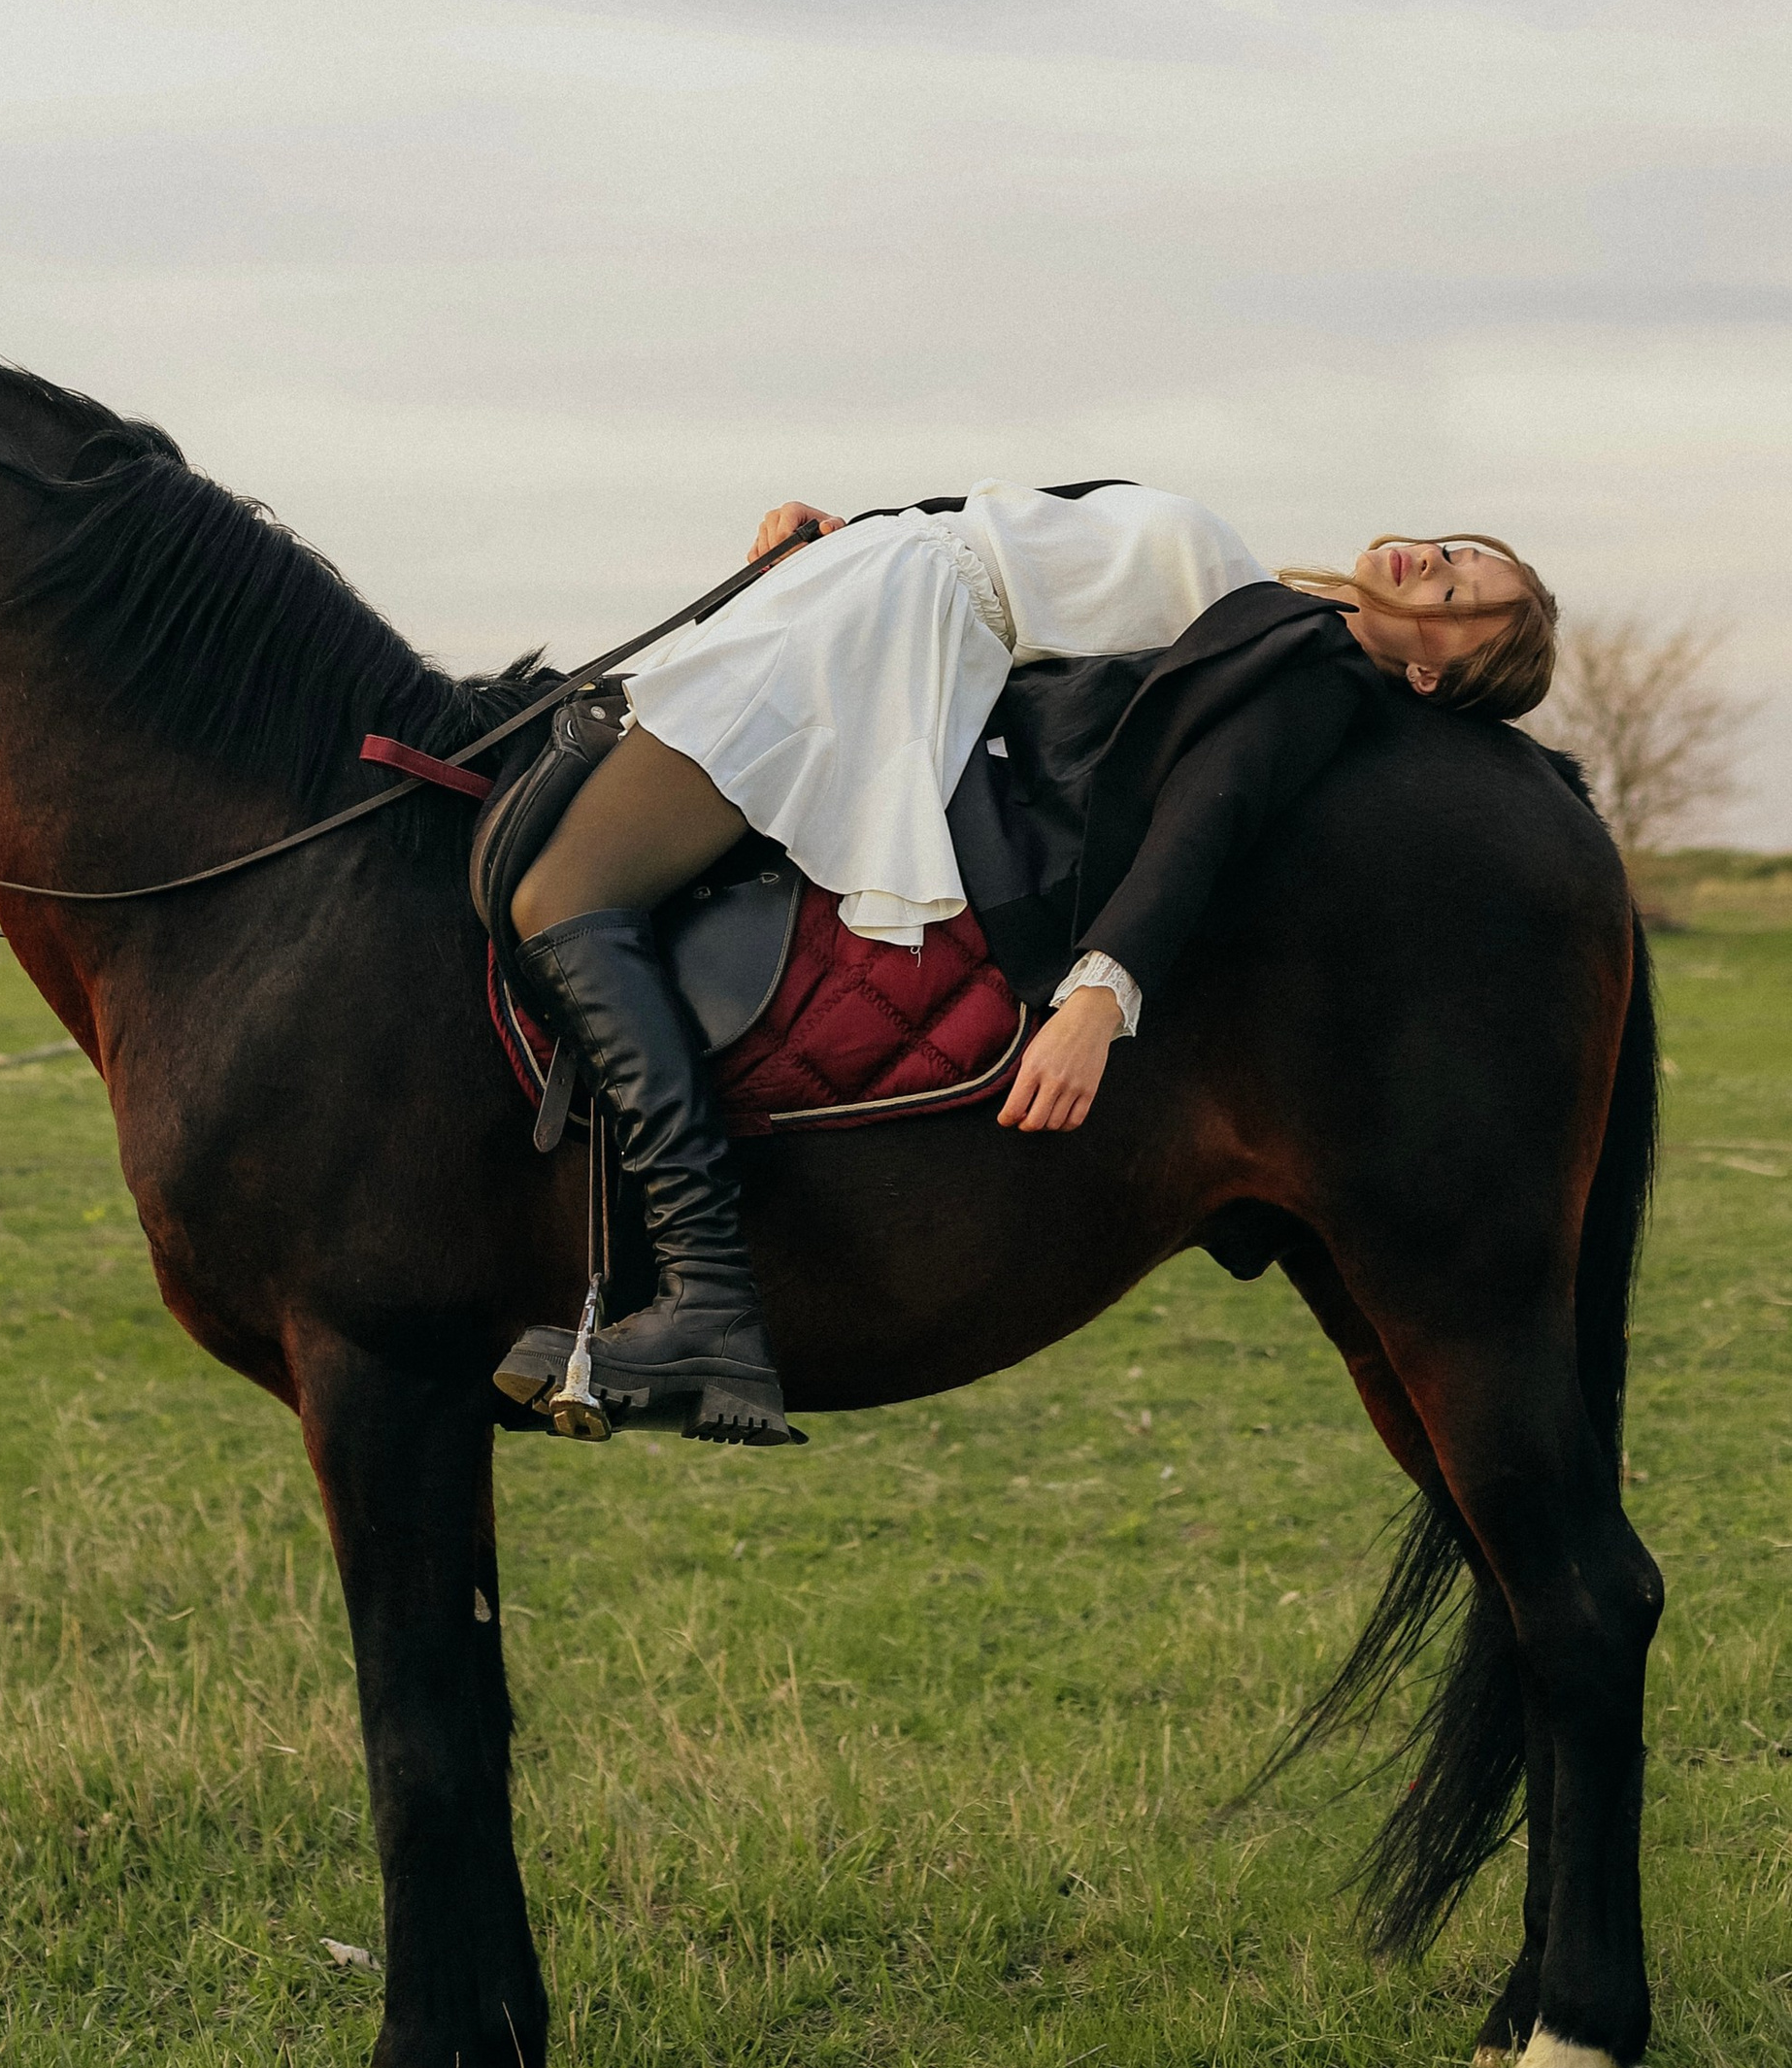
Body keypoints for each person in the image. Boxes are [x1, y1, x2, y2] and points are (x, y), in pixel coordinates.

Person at [495, 489, 1558, 1442]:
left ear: (1430, 672)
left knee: (562, 896)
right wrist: (840, 536)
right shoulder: (1270, 596)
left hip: (879, 634)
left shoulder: (1308, 665)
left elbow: (1211, 811)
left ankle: (706, 1294)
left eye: (1467, 595)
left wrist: (1101, 993)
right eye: (1460, 549)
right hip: (865, 591)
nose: (1439, 561)